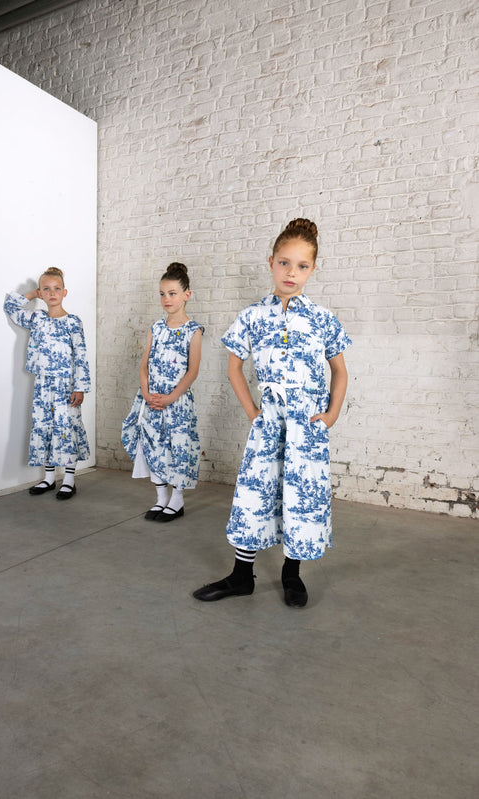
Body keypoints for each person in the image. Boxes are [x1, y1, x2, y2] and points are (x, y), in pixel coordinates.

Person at [193, 218, 351, 607]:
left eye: (301, 265)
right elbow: (233, 367)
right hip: (269, 424)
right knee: (255, 493)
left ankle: (291, 574)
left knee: (299, 497)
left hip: (306, 428)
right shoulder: (252, 316)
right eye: (284, 263)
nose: (291, 272)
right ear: (271, 263)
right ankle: (241, 576)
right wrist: (253, 411)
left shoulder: (322, 318)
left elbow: (340, 371)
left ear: (312, 269)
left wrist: (330, 416)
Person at [121, 263, 203, 522]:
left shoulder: (193, 330)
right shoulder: (155, 328)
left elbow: (192, 371)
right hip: (151, 400)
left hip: (176, 402)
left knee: (177, 449)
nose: (167, 299)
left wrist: (171, 397)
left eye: (172, 293)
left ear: (186, 295)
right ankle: (161, 499)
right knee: (153, 447)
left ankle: (177, 501)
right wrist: (146, 393)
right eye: (162, 294)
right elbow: (144, 364)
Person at [4, 267, 90, 499]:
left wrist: (80, 387)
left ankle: (69, 480)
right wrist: (32, 294)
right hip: (42, 385)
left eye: (57, 288)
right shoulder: (37, 318)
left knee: (66, 429)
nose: (52, 293)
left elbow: (80, 355)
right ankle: (49, 478)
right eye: (46, 289)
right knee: (44, 428)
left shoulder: (73, 322)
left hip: (66, 386)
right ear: (41, 293)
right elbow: (11, 307)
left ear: (64, 292)